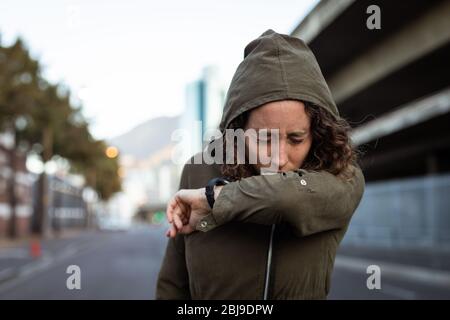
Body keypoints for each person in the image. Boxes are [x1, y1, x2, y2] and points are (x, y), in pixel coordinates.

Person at [156, 29, 365, 300]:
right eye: (265, 138)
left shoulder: (342, 177)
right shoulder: (198, 171)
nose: (278, 158)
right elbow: (173, 284)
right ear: (238, 131)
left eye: (296, 138)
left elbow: (286, 198)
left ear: (317, 133)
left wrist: (216, 199)